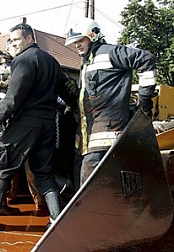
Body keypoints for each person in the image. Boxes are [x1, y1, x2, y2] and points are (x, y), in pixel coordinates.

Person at [0, 23, 76, 230]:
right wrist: (76, 108)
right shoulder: (52, 62)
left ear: (30, 38)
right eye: (10, 41)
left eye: (16, 40)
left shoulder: (23, 60)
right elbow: (67, 93)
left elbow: (14, 96)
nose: (12, 44)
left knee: (2, 167)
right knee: (44, 173)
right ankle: (56, 219)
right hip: (48, 124)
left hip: (25, 123)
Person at [64, 18, 157, 187]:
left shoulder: (110, 53)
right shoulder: (87, 60)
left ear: (93, 36)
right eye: (75, 42)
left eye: (81, 40)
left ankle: (90, 213)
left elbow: (146, 59)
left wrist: (144, 102)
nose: (77, 45)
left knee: (89, 183)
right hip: (89, 135)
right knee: (83, 178)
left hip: (105, 134)